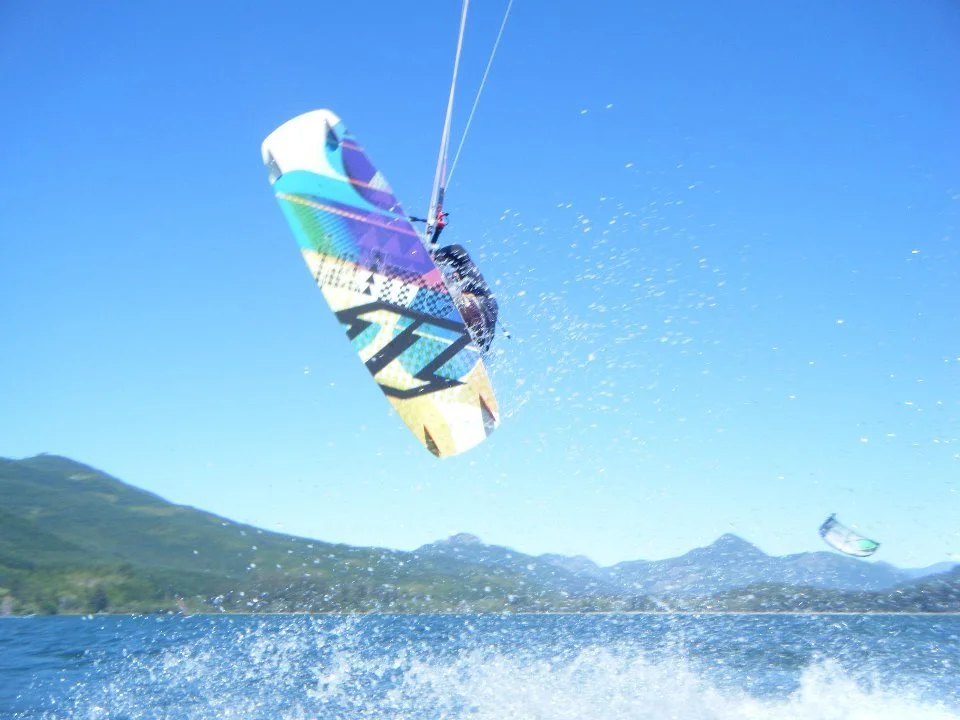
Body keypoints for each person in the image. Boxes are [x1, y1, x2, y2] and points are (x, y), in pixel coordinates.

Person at [410, 208, 498, 353]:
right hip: (484, 331)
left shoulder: (464, 264)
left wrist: (431, 255)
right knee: (447, 289)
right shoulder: (465, 275)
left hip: (482, 311)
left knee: (451, 292)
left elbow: (452, 252)